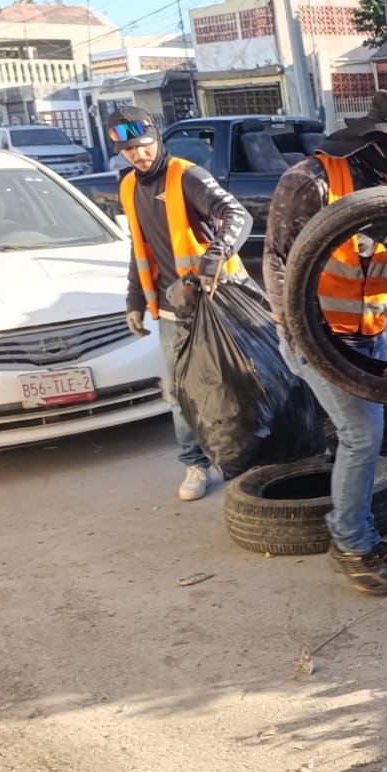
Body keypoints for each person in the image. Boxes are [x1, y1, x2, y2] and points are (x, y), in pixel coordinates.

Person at [263, 90, 387, 594]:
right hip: (316, 336)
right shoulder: (311, 182)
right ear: (378, 142)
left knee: (367, 436)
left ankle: (361, 534)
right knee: (362, 437)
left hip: (370, 335)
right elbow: (277, 260)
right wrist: (296, 332)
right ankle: (350, 546)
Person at [114, 106, 253, 501]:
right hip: (173, 309)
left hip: (215, 302)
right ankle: (195, 464)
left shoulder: (187, 175)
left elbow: (237, 215)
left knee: (236, 384)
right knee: (182, 391)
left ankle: (249, 457)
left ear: (157, 138)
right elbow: (138, 249)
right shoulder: (128, 186)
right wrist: (134, 300)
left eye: (143, 146)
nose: (138, 155)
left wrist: (214, 257)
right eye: (129, 150)